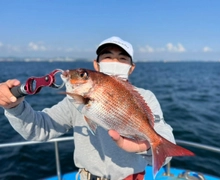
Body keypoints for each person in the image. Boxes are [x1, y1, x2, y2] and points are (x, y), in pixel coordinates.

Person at [0, 36, 175, 180]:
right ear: (96, 65)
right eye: (107, 56)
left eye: (122, 58)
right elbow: (40, 129)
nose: (114, 61)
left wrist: (143, 146)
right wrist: (15, 107)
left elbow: (164, 142)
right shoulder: (73, 101)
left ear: (131, 68)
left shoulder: (146, 97)